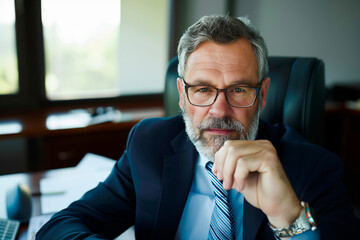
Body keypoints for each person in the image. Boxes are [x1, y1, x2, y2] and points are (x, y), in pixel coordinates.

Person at [36, 15, 359, 240]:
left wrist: (288, 216)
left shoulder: (312, 168)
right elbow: (62, 226)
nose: (220, 110)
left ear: (261, 96)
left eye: (238, 89)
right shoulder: (149, 144)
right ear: (181, 94)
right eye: (203, 89)